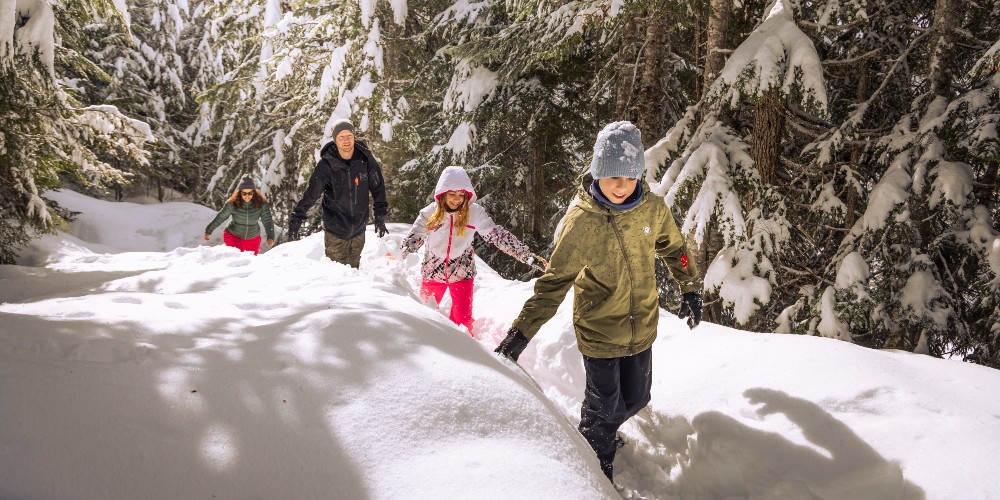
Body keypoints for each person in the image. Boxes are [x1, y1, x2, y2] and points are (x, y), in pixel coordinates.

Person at [494, 121, 703, 482]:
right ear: (597, 175)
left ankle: (600, 430)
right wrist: (521, 333)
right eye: (612, 178)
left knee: (637, 399)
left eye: (629, 177)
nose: (622, 187)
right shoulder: (582, 223)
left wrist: (689, 286)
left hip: (642, 328)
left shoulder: (652, 209)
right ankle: (595, 463)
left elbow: (674, 248)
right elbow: (554, 283)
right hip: (599, 331)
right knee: (605, 407)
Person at [399, 166, 547, 335]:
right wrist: (401, 253)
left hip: (462, 270)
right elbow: (415, 236)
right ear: (442, 194)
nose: (457, 200)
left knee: (462, 322)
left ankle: (461, 355)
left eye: (461, 195)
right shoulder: (429, 213)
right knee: (425, 316)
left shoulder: (474, 213)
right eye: (452, 194)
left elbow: (497, 235)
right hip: (433, 270)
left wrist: (525, 255)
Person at [287, 118, 389, 268]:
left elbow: (378, 188)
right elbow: (311, 194)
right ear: (335, 140)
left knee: (354, 272)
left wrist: (380, 214)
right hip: (335, 230)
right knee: (338, 276)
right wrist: (297, 218)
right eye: (341, 136)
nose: (346, 140)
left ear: (354, 136)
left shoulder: (365, 160)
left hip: (359, 230)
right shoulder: (326, 165)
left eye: (349, 136)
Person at [204, 176, 275, 255]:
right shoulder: (232, 203)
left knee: (250, 261)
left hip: (253, 237)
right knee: (236, 258)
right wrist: (209, 230)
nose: (247, 196)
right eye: (244, 193)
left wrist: (270, 236)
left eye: (250, 193)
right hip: (233, 235)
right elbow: (221, 216)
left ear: (254, 192)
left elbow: (267, 220)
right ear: (240, 192)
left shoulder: (261, 204)